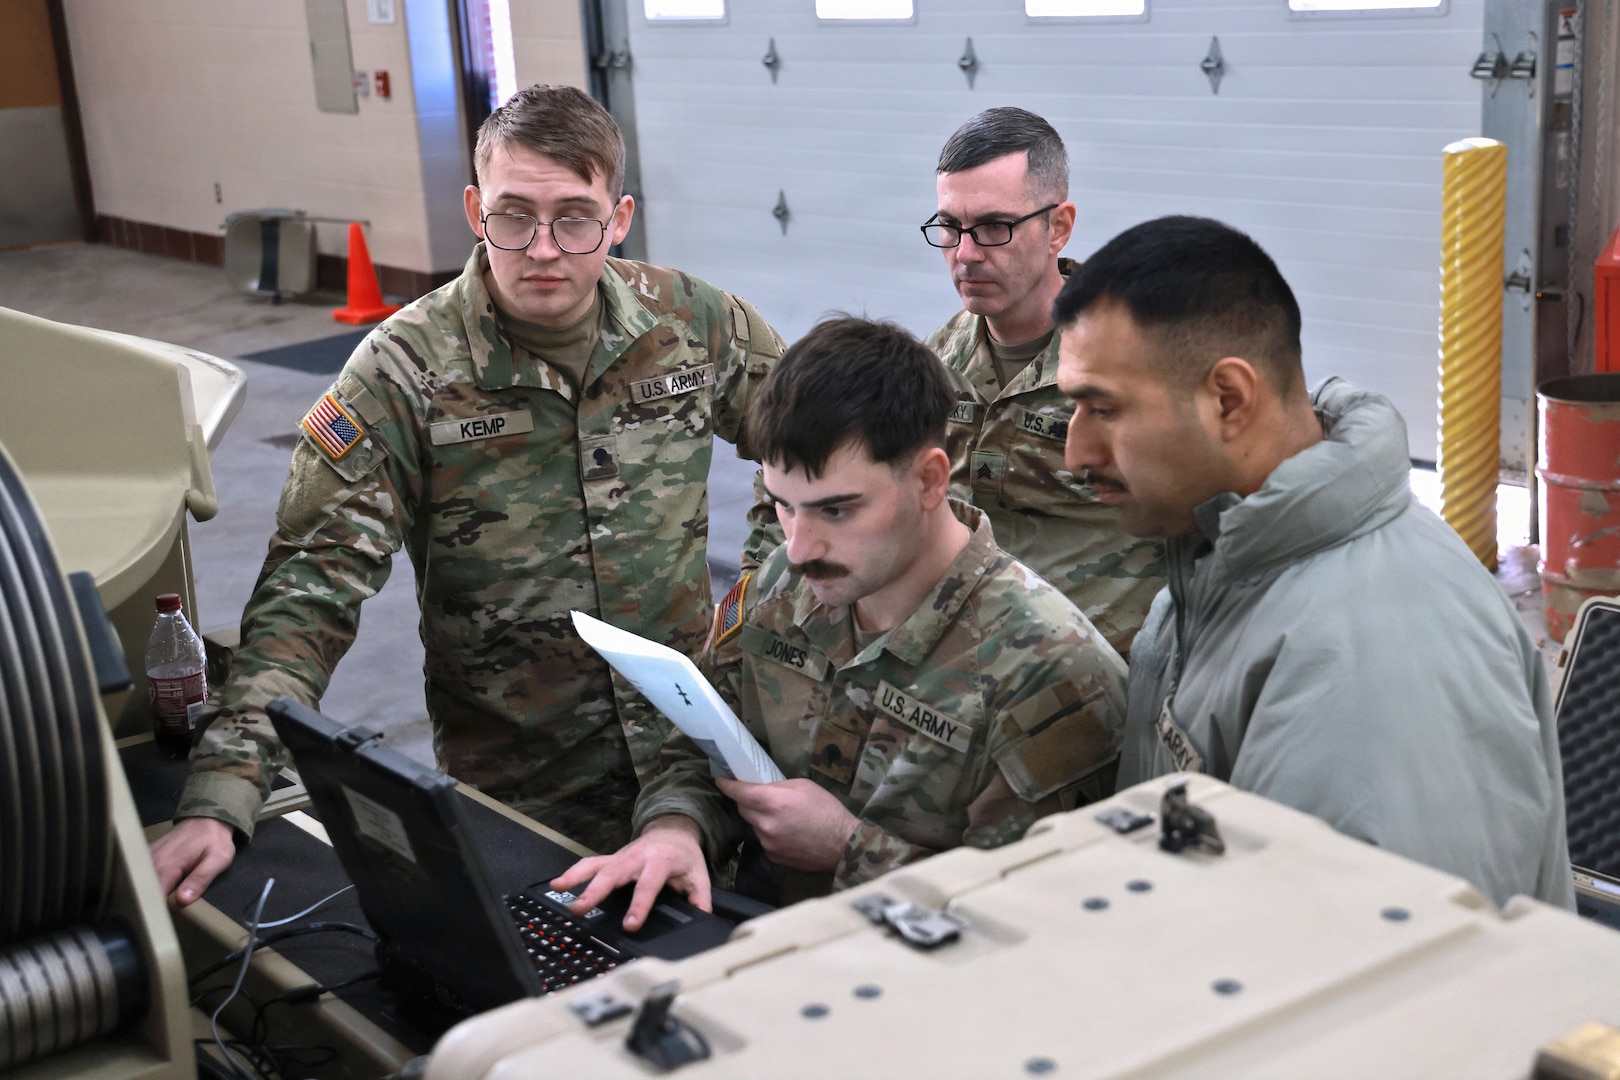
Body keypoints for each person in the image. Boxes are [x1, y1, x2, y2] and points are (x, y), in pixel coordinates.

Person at [150, 84, 784, 905]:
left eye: (576, 218)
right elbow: (313, 585)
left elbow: (818, 456)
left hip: (695, 767)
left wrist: (756, 606)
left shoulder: (698, 325)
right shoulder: (403, 371)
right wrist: (226, 793)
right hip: (521, 791)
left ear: (620, 217)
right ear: (474, 208)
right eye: (515, 216)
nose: (545, 248)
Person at [1052, 214, 1574, 909]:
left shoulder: (1373, 657)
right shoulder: (1221, 558)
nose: (1075, 453)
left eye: (1103, 410)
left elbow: (1383, 982)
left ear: (1229, 400)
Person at [553, 316, 1127, 928]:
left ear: (930, 479)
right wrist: (676, 830)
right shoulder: (781, 584)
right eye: (783, 505)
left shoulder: (1051, 672)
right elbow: (700, 747)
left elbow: (1054, 921)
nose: (799, 547)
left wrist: (850, 849)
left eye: (836, 509)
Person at [924, 107, 1163, 657]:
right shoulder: (935, 365)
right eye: (950, 228)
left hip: (1098, 691)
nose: (964, 254)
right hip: (967, 679)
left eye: (993, 228)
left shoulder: (1140, 364)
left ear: (1058, 227)